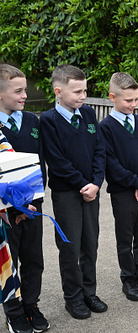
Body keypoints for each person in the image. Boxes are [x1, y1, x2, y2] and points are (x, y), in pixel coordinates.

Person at [40, 64, 107, 319]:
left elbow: (100, 151)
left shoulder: (88, 115)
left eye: (85, 90)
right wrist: (82, 185)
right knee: (70, 245)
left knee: (90, 243)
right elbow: (57, 161)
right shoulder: (48, 120)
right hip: (68, 193)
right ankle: (74, 297)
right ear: (58, 91)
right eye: (77, 91)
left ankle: (89, 292)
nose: (82, 96)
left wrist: (96, 183)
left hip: (92, 190)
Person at [99, 73, 138, 302]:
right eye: (128, 101)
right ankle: (129, 277)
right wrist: (136, 183)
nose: (133, 105)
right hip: (123, 192)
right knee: (125, 236)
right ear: (113, 97)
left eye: (136, 99)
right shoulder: (105, 128)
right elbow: (111, 164)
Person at [0, 64, 49, 333]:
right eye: (17, 91)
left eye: (25, 90)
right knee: (10, 262)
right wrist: (11, 206)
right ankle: (14, 312)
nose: (24, 96)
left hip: (33, 207)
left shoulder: (32, 121)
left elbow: (39, 166)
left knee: (34, 259)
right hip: (5, 211)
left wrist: (34, 202)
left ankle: (31, 304)